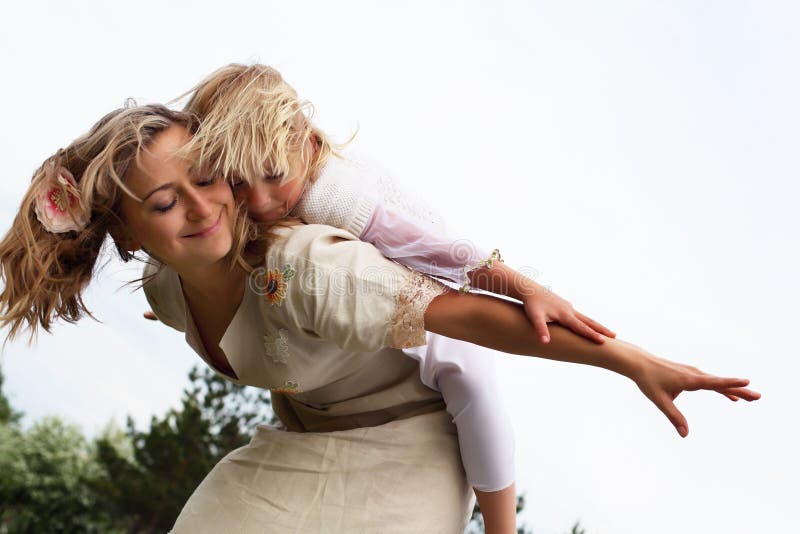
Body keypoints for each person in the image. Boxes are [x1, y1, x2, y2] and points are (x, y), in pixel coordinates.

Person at [0, 104, 759, 533]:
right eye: (165, 203)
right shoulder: (166, 289)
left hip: (414, 449)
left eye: (208, 179)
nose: (202, 207)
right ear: (129, 233)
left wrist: (631, 360)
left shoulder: (303, 268)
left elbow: (469, 318)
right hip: (298, 443)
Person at [147, 63, 619, 527]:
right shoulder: (265, 198)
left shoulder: (334, 195)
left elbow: (435, 251)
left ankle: (500, 523)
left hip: (435, 280)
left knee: (471, 384)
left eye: (272, 175)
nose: (262, 200)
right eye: (238, 181)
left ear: (308, 145)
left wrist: (524, 287)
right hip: (368, 294)